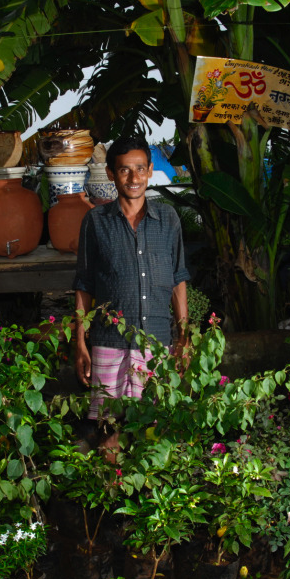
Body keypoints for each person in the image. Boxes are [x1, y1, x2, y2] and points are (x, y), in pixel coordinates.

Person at [72, 136, 190, 451]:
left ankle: (149, 496)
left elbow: (178, 278)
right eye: (125, 170)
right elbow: (84, 284)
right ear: (111, 174)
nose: (134, 178)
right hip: (108, 342)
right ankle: (110, 492)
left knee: (153, 429)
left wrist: (183, 334)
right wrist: (80, 341)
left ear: (150, 171)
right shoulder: (95, 222)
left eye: (140, 169)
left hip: (156, 341)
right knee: (108, 430)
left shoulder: (167, 219)